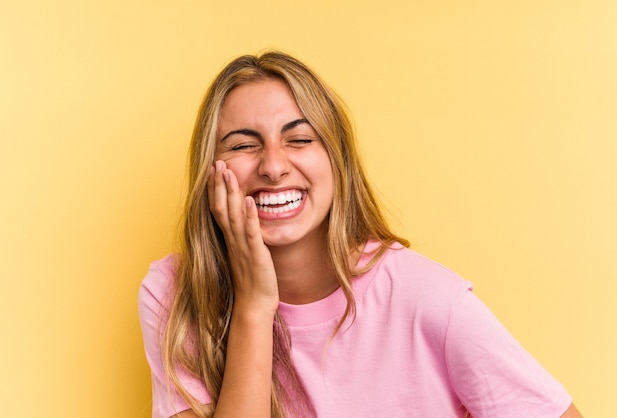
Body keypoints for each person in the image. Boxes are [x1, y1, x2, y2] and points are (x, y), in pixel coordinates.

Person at [138, 51, 582, 418]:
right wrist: (253, 306)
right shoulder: (173, 295)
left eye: (300, 139)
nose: (273, 167)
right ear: (209, 169)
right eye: (242, 145)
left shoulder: (428, 299)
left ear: (337, 161)